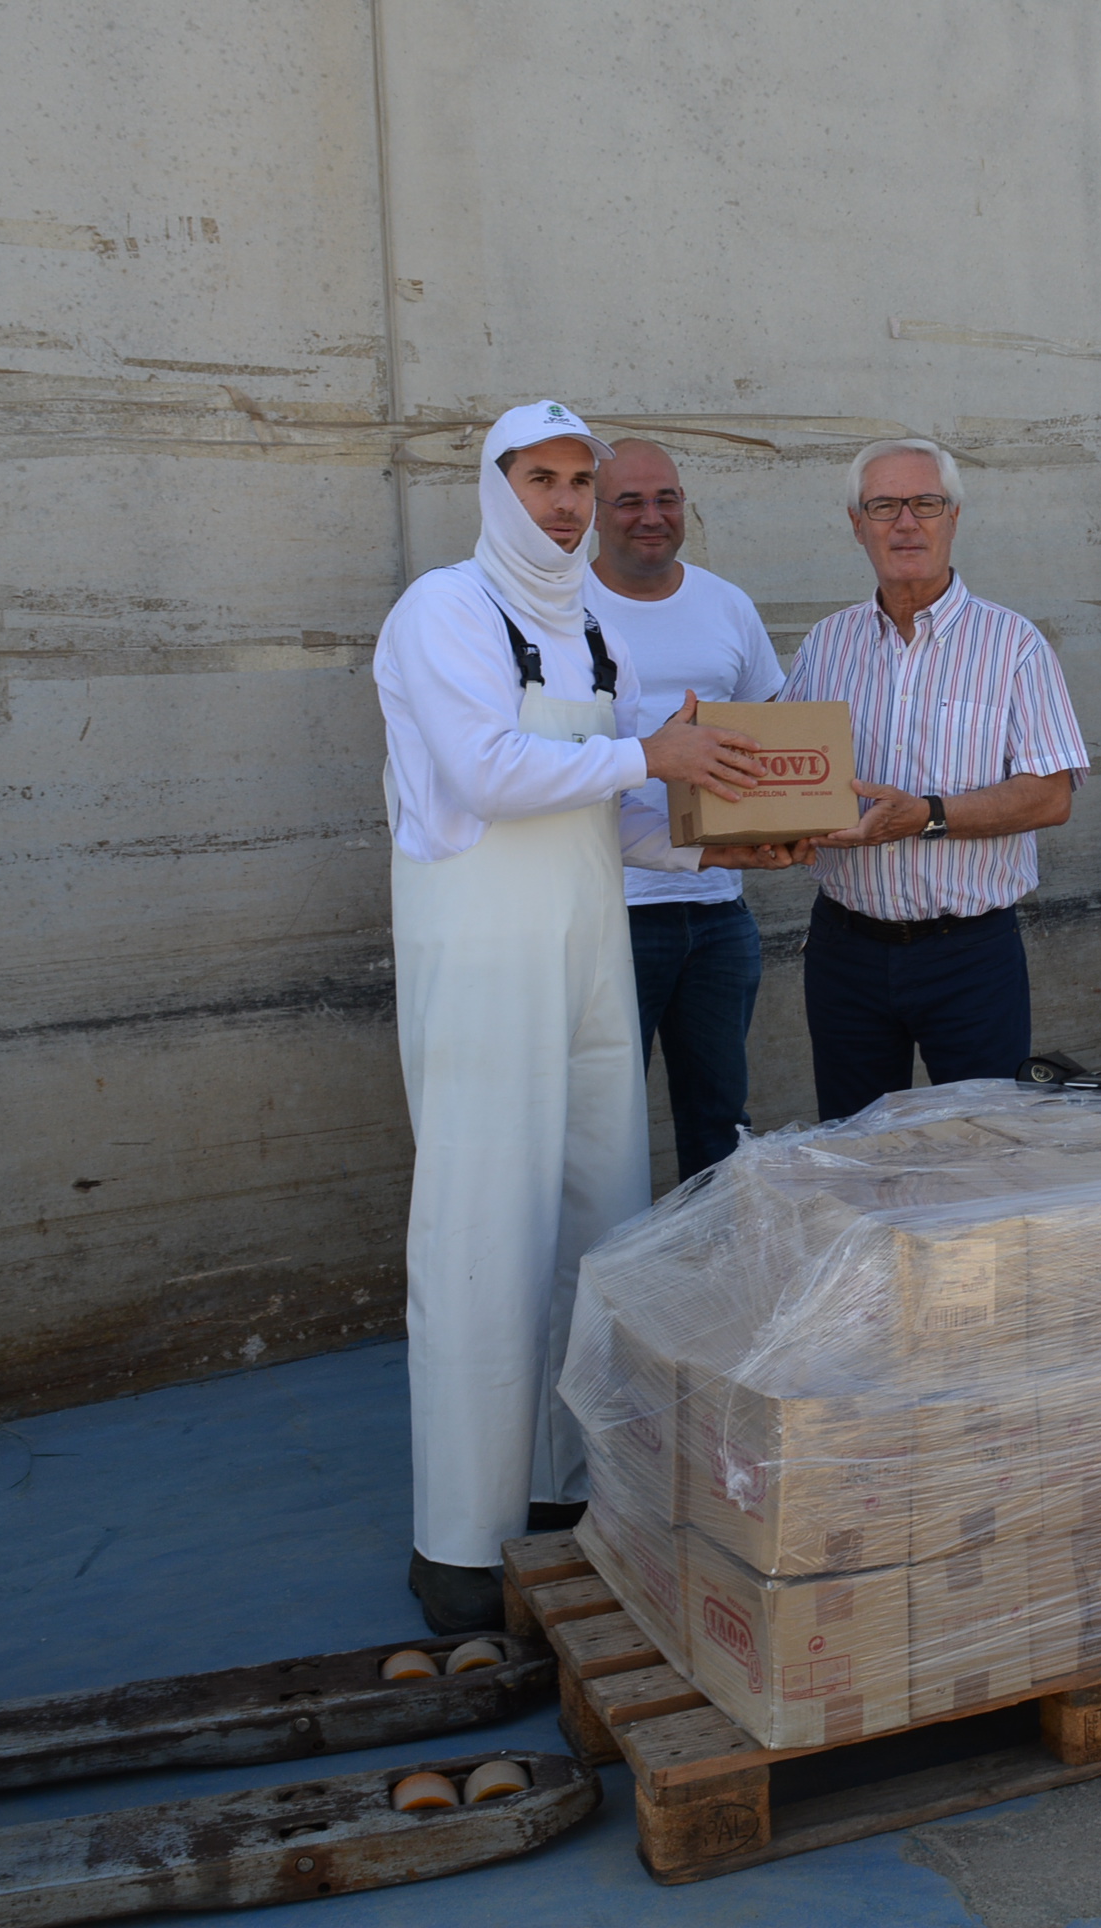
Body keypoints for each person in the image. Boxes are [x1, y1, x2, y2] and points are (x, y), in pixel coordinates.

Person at [373, 401, 797, 1633]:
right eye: (544, 480)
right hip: (485, 951)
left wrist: (715, 839)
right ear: (499, 489)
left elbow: (602, 816)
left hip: (588, 948)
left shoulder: (579, 634)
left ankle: (570, 1495)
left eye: (579, 480)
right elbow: (487, 773)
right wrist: (653, 759)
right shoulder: (443, 610)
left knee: (593, 1217)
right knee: (482, 1231)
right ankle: (459, 1539)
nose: (566, 503)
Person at [784, 438, 1091, 1121]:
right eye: (884, 505)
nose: (905, 522)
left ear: (954, 516)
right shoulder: (825, 644)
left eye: (925, 503)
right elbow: (789, 777)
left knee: (985, 1155)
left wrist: (925, 814)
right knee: (856, 1151)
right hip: (845, 954)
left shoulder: (1014, 646)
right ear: (855, 524)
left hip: (969, 958)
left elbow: (1051, 793)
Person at [583, 439, 784, 1180]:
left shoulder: (726, 603)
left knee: (720, 1126)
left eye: (665, 498)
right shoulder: (563, 608)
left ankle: (718, 1282)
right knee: (603, 1134)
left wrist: (784, 829)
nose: (650, 516)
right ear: (596, 512)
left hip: (718, 909)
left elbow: (772, 725)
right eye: (629, 501)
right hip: (611, 912)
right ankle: (613, 1288)